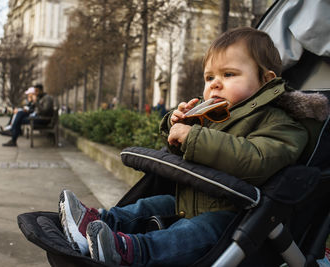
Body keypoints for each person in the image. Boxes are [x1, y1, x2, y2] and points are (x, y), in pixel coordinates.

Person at [57, 27, 329, 266]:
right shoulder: (215, 115)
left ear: (266, 80)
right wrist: (175, 126)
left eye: (229, 74)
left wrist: (195, 137)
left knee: (193, 233)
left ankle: (127, 251)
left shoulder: (283, 122)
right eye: (209, 78)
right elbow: (187, 155)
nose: (215, 84)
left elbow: (256, 160)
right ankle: (96, 222)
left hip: (233, 216)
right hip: (193, 198)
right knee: (149, 205)